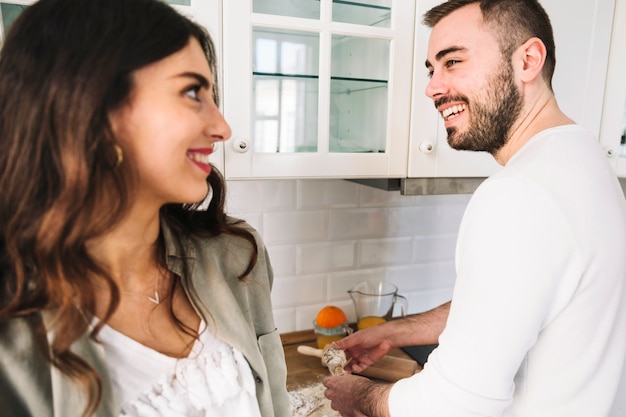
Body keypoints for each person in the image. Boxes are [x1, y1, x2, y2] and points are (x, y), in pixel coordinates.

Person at [323, 0, 626, 416]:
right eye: (432, 68)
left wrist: (360, 397)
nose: (432, 87)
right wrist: (401, 331)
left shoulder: (520, 193)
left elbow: (456, 404)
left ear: (528, 60)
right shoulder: (585, 160)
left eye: (453, 62)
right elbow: (520, 302)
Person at [0, 0, 290, 416]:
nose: (223, 128)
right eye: (193, 93)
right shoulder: (13, 328)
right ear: (89, 108)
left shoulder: (235, 256)